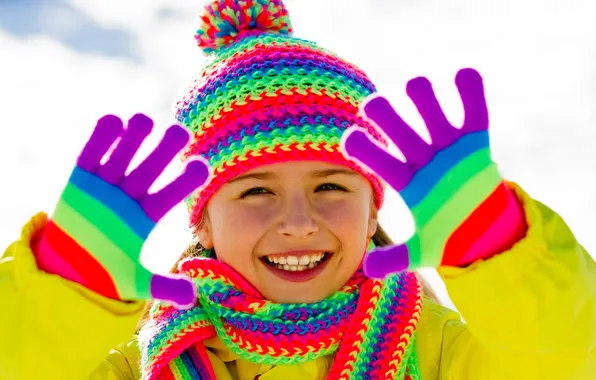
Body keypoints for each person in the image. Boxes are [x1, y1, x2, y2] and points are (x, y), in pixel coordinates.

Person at [1, 0, 594, 379]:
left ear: (372, 209)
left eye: (332, 185)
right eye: (255, 191)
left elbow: (558, 361)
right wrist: (66, 292)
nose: (298, 221)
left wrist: (497, 248)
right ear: (201, 220)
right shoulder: (146, 361)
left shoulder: (432, 348)